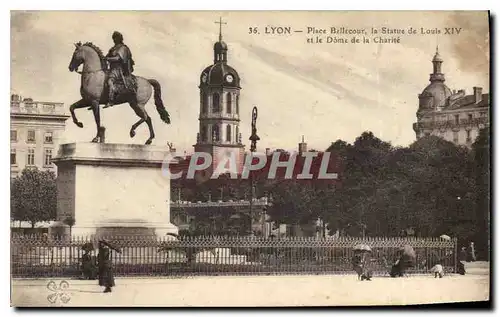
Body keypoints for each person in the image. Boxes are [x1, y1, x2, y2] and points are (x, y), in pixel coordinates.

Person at [104, 31, 136, 108]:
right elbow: (106, 57)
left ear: (119, 39)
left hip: (119, 70)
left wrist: (107, 58)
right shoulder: (113, 49)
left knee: (110, 81)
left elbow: (118, 58)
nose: (114, 40)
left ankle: (111, 100)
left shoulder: (123, 48)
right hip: (111, 69)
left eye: (115, 38)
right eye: (113, 38)